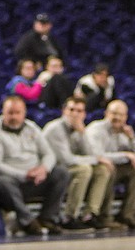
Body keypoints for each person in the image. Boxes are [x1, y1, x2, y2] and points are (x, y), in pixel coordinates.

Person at [0, 95, 71, 236]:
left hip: (36, 179)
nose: (14, 117)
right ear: (3, 112)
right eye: (10, 113)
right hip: (13, 182)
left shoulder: (32, 128)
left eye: (18, 113)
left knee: (61, 173)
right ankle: (28, 221)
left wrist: (43, 169)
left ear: (24, 113)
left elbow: (49, 154)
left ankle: (48, 218)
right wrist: (23, 174)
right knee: (1, 182)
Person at [41, 97, 114, 230]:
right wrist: (96, 159)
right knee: (84, 169)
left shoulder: (79, 128)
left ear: (84, 114)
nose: (75, 114)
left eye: (79, 111)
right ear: (64, 111)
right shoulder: (55, 129)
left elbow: (89, 154)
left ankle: (90, 215)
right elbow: (66, 160)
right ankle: (70, 216)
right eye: (71, 110)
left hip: (70, 168)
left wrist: (83, 134)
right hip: (53, 171)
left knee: (102, 170)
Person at [83, 99, 135, 231]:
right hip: (95, 169)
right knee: (107, 168)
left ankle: (127, 215)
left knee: (134, 169)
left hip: (114, 169)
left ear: (126, 117)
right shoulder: (96, 129)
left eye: (121, 115)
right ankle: (104, 217)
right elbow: (97, 155)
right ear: (106, 113)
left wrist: (132, 139)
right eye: (114, 113)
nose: (117, 117)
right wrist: (126, 155)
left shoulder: (125, 133)